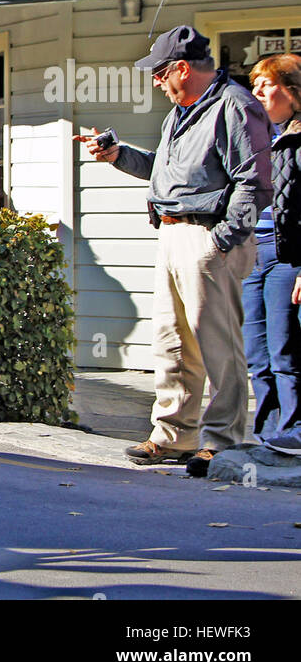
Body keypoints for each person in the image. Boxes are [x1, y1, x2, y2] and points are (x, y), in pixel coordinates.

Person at [75, 25, 272, 475]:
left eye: (160, 72)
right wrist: (117, 153)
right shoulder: (181, 112)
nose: (155, 81)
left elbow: (255, 180)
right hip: (172, 233)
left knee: (217, 345)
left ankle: (223, 442)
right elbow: (165, 174)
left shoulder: (235, 107)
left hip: (208, 237)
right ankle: (175, 435)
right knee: (172, 343)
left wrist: (223, 239)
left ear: (182, 67)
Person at [245, 53, 301, 456]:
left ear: (293, 91)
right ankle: (267, 434)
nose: (257, 92)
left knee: (285, 348)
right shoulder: (255, 134)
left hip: (288, 254)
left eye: (267, 84)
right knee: (256, 350)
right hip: (252, 251)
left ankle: (294, 429)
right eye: (255, 85)